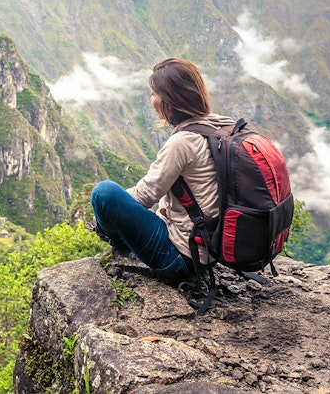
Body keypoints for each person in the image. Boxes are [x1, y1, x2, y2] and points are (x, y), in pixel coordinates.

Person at [90, 57, 235, 285]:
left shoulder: (183, 142)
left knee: (103, 193)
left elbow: (145, 195)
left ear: (170, 100)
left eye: (154, 94)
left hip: (179, 256)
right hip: (212, 248)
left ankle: (111, 237)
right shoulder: (223, 127)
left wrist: (106, 215)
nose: (152, 100)